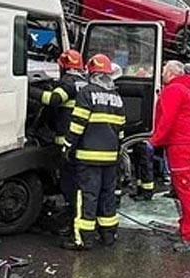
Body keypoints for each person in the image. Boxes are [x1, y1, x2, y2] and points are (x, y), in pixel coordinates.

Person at [63, 54, 126, 251]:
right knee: (107, 195)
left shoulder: (86, 93)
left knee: (87, 196)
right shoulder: (116, 97)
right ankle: (108, 235)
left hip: (88, 156)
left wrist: (67, 145)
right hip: (111, 157)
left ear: (91, 73)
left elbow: (77, 123)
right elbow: (121, 130)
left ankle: (83, 239)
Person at [150, 60, 190, 253]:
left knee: (184, 191)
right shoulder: (185, 90)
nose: (162, 73)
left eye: (164, 70)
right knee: (183, 189)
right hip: (187, 144)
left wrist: (154, 141)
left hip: (180, 146)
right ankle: (187, 227)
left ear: (172, 72)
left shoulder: (173, 90)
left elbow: (167, 119)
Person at [29, 50, 90, 210]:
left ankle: (72, 208)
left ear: (64, 66)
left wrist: (28, 89)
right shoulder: (85, 82)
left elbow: (53, 99)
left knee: (68, 177)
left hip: (66, 140)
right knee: (79, 177)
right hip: (82, 139)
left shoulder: (69, 83)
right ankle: (79, 206)